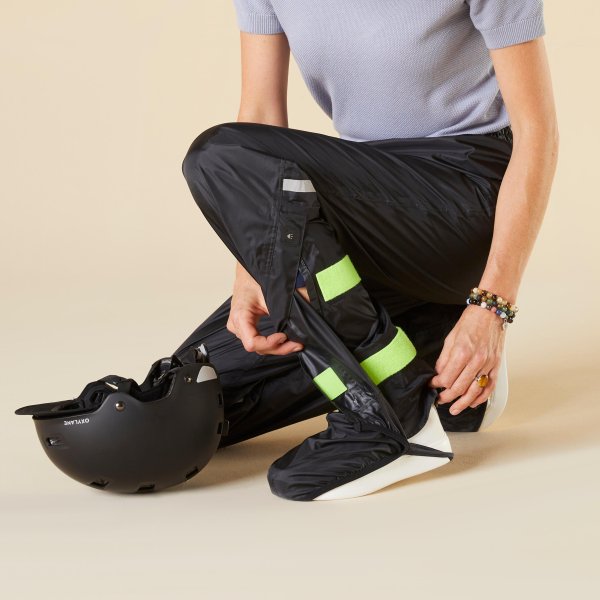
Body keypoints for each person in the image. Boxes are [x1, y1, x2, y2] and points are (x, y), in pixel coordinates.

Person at [173, 0, 559, 501]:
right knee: (195, 398)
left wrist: (492, 309)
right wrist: (253, 267)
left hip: (466, 193)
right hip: (372, 206)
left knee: (219, 156)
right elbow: (261, 118)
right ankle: (434, 355)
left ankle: (396, 416)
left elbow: (537, 133)